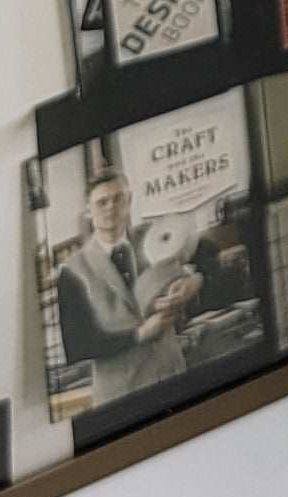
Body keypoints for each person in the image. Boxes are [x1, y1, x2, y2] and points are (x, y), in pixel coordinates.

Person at [53, 168, 201, 412]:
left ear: (129, 201)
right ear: (89, 212)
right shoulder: (72, 272)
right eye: (101, 202)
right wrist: (140, 333)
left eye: (117, 198)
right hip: (121, 396)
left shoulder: (151, 241)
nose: (110, 207)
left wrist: (189, 285)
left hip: (171, 375)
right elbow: (78, 345)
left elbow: (194, 268)